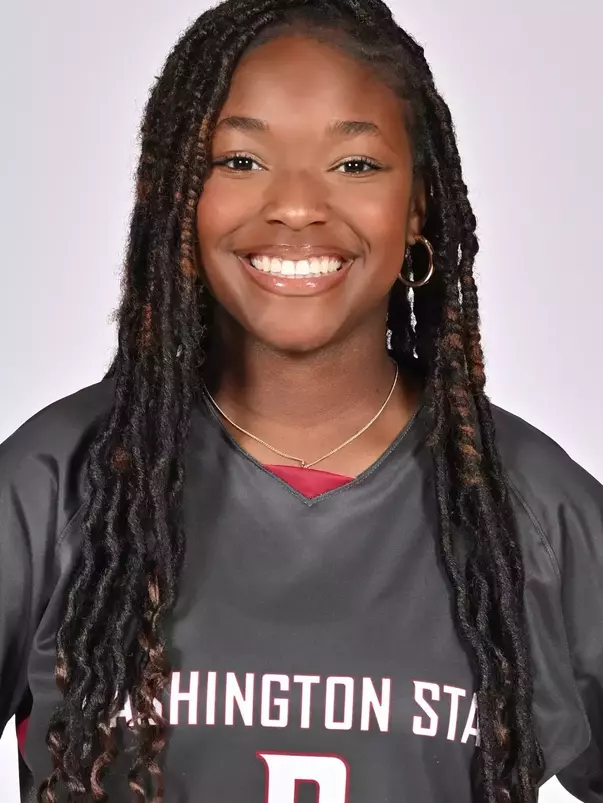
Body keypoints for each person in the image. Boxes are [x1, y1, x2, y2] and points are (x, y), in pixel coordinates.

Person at [0, 0, 601, 801]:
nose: (294, 204)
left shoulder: (528, 507)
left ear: (417, 204)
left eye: (354, 165)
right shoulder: (60, 479)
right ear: (179, 196)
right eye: (239, 161)